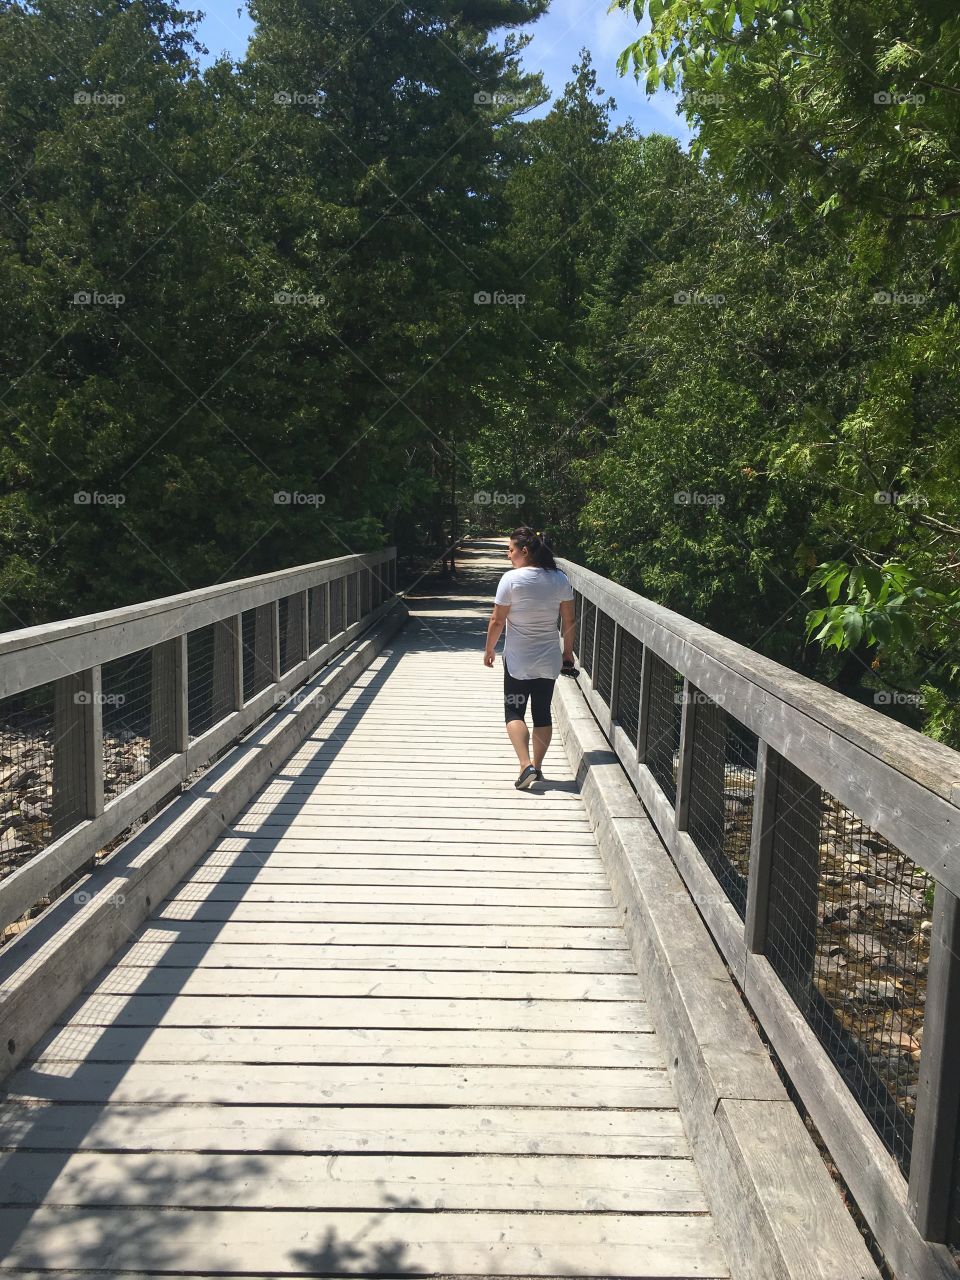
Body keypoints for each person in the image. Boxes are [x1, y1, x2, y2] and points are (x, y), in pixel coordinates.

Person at [483, 527, 576, 789]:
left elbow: (497, 620)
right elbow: (569, 620)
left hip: (518, 660)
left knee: (514, 711)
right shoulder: (560, 579)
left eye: (511, 550)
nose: (508, 554)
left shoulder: (510, 580)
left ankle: (525, 766)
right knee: (542, 712)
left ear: (525, 551)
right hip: (549, 659)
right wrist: (567, 653)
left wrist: (489, 649)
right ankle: (538, 765)